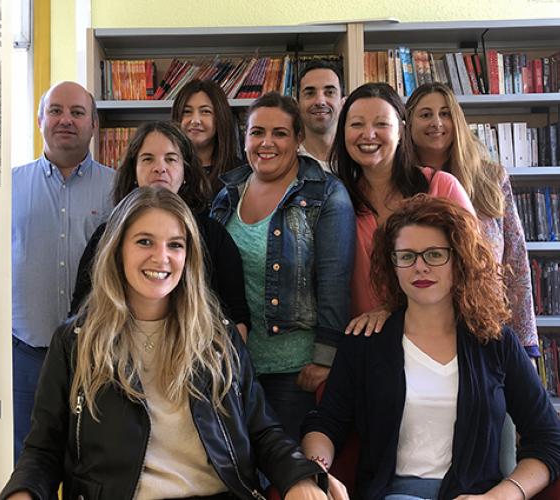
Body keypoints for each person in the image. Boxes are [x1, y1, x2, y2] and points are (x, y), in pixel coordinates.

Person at [0, 187, 330, 500]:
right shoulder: (75, 341)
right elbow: (43, 449)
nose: (162, 258)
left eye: (175, 245)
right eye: (145, 241)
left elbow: (263, 431)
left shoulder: (218, 336)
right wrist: (22, 492)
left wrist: (300, 477)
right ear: (117, 250)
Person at [301, 194, 560, 500]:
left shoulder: (496, 342)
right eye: (407, 256)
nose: (420, 267)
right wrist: (315, 469)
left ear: (458, 260)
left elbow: (548, 438)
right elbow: (327, 423)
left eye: (435, 255)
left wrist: (503, 495)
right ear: (392, 265)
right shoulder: (364, 342)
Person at [211, 92, 355, 442]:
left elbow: (335, 281)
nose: (266, 143)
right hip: (231, 368)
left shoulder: (327, 195)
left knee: (285, 480)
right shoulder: (227, 194)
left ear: (298, 139)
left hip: (296, 372)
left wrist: (325, 359)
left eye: (280, 133)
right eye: (257, 132)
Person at [12, 81, 115, 462]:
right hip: (26, 353)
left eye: (77, 112)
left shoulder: (118, 187)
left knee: (93, 459)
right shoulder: (9, 186)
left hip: (97, 353)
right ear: (40, 119)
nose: (66, 120)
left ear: (94, 123)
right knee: (26, 457)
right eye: (55, 110)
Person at [71, 121, 250, 338]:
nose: (159, 168)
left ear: (186, 171)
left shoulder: (213, 236)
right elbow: (81, 312)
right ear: (133, 170)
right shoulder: (107, 236)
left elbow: (237, 319)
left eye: (171, 159)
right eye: (148, 159)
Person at [405, 82, 538, 357]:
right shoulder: (401, 184)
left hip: (485, 323)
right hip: (419, 327)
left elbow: (516, 258)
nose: (437, 123)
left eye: (445, 113)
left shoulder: (491, 178)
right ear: (408, 124)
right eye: (425, 114)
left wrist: (526, 341)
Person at [329, 82, 475, 329]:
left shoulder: (442, 187)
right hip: (365, 344)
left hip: (440, 336)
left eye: (381, 124)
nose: (368, 134)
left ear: (400, 131)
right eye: (356, 124)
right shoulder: (335, 198)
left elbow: (474, 269)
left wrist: (391, 310)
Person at [172, 79, 241, 194]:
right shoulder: (167, 171)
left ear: (220, 118)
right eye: (187, 111)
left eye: (205, 112)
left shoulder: (239, 173)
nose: (195, 120)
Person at [297, 60, 345, 172]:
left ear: (343, 103)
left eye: (329, 92)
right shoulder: (287, 163)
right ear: (297, 104)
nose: (320, 101)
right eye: (310, 93)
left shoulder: (359, 161)